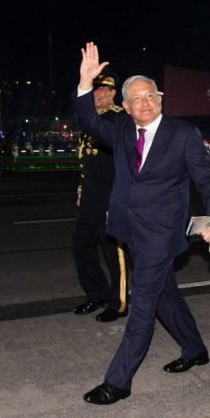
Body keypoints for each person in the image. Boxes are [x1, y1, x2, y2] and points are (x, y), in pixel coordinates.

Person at [76, 42, 210, 405]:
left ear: (160, 99)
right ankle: (195, 349)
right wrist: (85, 83)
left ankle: (118, 382)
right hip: (130, 230)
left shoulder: (182, 134)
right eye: (136, 99)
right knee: (164, 294)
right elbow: (88, 121)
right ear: (126, 107)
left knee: (142, 303)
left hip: (162, 234)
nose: (145, 103)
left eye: (150, 96)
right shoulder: (122, 130)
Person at [71, 69, 130, 323]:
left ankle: (118, 303)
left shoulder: (119, 119)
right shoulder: (91, 120)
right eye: (93, 90)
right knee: (81, 245)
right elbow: (86, 163)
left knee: (113, 254)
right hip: (90, 198)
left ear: (113, 93)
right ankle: (97, 294)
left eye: (102, 90)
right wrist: (81, 192)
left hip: (111, 197)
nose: (97, 95)